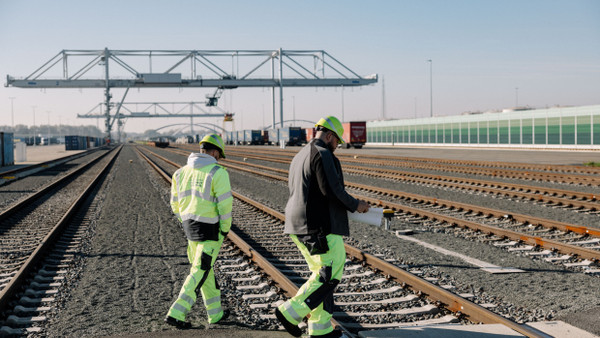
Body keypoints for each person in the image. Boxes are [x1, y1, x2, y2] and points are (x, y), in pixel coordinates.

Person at [275, 116, 370, 337]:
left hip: (298, 224)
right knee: (330, 274)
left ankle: (321, 329)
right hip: (319, 226)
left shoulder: (300, 155)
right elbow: (332, 190)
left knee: (321, 276)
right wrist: (357, 205)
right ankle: (289, 312)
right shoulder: (323, 153)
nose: (337, 146)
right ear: (329, 136)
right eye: (337, 141)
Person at [165, 133, 232, 329]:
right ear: (214, 152)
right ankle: (177, 312)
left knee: (205, 270)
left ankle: (215, 313)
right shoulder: (217, 173)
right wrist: (225, 229)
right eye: (219, 155)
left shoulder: (180, 173)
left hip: (189, 228)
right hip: (210, 231)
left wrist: (185, 221)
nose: (218, 159)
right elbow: (225, 207)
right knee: (200, 270)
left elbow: (175, 205)